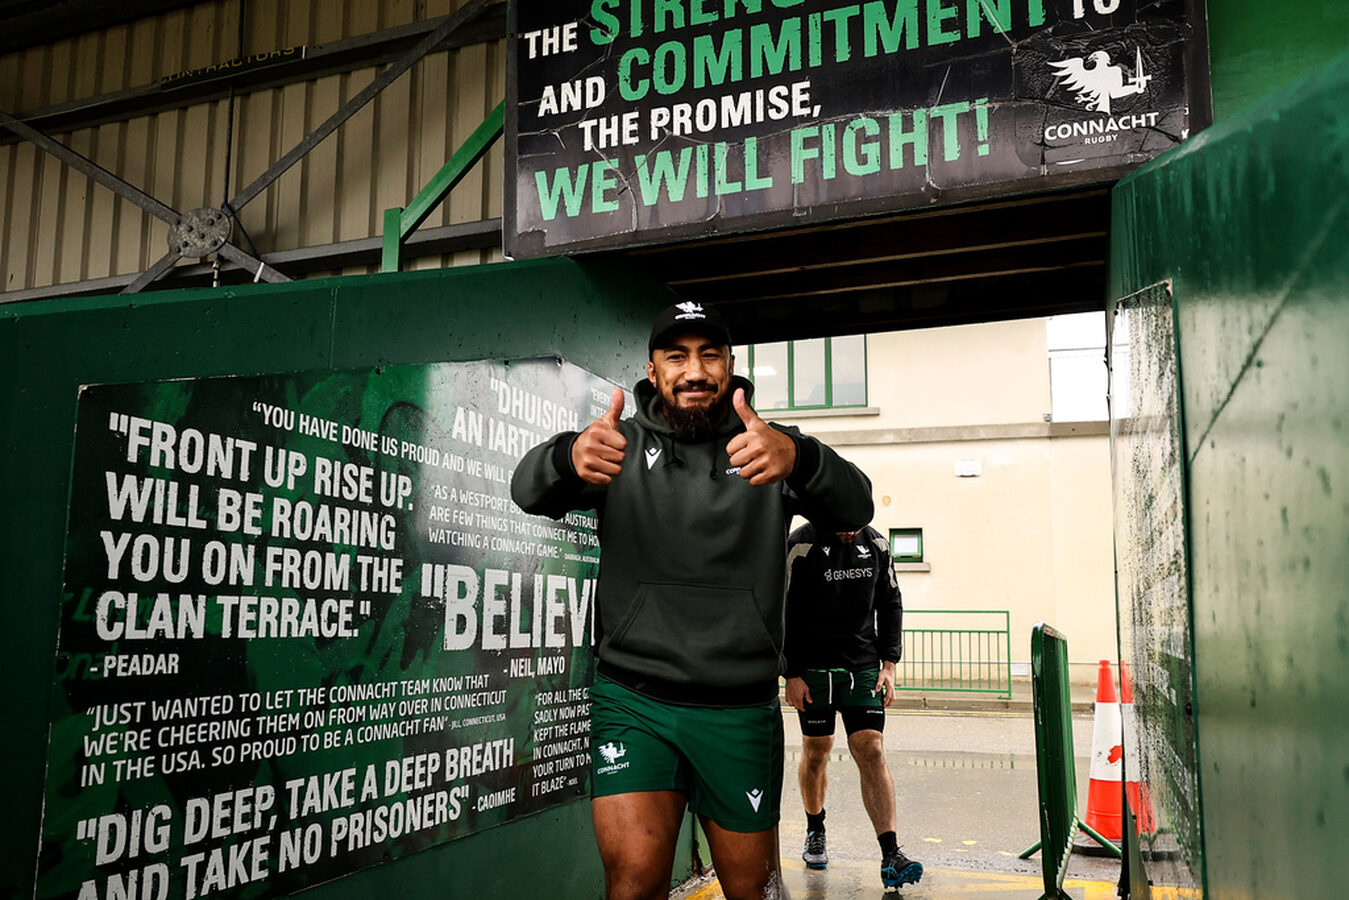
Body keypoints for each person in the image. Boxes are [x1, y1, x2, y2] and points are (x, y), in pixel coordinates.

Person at [511, 302, 874, 900]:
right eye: (677, 357)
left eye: (710, 355)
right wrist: (566, 458)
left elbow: (857, 505)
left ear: (730, 365)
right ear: (653, 371)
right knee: (632, 884)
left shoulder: (767, 445)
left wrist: (800, 457)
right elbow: (526, 490)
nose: (695, 371)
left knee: (754, 890)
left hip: (738, 707)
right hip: (633, 699)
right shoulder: (618, 445)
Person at [782, 523, 923, 890]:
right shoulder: (801, 545)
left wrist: (889, 664)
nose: (850, 533)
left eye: (856, 526)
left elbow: (891, 602)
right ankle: (815, 829)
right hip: (813, 669)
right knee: (817, 749)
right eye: (843, 527)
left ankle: (891, 854)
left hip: (863, 666)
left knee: (871, 748)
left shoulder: (876, 545)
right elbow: (783, 610)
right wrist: (791, 673)